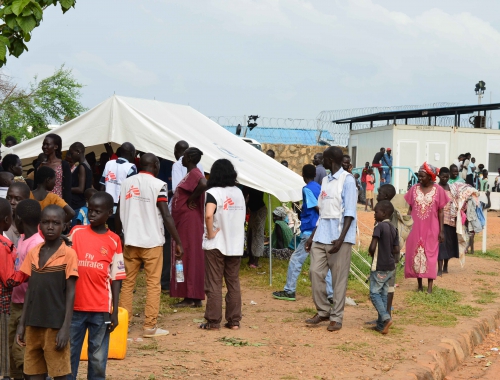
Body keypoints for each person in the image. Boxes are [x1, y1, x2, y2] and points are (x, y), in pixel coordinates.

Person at [116, 153, 184, 337]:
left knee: (128, 284)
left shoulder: (126, 184)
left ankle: (124, 324)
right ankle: (149, 327)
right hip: (152, 242)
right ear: (155, 165)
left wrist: (117, 236)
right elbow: (166, 215)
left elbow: (117, 213)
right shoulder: (159, 186)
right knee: (153, 284)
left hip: (130, 240)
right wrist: (178, 240)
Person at [16, 205, 79, 380]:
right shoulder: (34, 252)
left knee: (59, 373)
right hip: (33, 324)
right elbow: (29, 290)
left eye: (56, 223)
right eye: (46, 222)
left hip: (55, 325)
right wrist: (22, 324)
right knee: (33, 373)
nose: (50, 227)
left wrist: (65, 327)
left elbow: (71, 293)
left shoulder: (68, 254)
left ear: (64, 226)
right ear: (40, 225)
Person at [68, 192, 126, 380]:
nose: (91, 214)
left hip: (101, 309)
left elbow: (117, 278)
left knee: (98, 358)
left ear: (109, 212)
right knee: (69, 356)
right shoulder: (76, 232)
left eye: (97, 211)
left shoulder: (114, 240)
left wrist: (114, 310)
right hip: (74, 308)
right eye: (90, 210)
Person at [305, 146, 357, 332]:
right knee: (315, 272)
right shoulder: (325, 180)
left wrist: (341, 239)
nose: (320, 162)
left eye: (324, 159)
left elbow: (350, 213)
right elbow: (323, 212)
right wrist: (312, 236)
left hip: (339, 237)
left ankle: (336, 317)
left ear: (330, 160)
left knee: (338, 279)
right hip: (321, 234)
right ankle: (323, 311)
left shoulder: (347, 180)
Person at [272, 164, 334, 303]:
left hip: (310, 230)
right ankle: (330, 294)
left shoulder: (307, 189)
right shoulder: (319, 187)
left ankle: (289, 290)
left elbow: (317, 208)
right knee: (323, 262)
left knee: (296, 260)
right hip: (321, 230)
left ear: (302, 175)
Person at [200, 159, 245, 330]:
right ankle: (234, 321)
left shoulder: (212, 192)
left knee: (214, 283)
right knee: (233, 282)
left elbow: (209, 215)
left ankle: (213, 321)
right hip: (235, 243)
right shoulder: (238, 193)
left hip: (216, 244)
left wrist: (211, 233)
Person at [8, 199, 44, 380]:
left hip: (27, 306)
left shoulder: (36, 244)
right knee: (12, 350)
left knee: (21, 350)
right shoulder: (22, 238)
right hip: (16, 302)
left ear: (19, 218)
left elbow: (34, 278)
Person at [169, 148, 207, 308]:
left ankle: (190, 295)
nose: (181, 159)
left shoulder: (195, 173)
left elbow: (204, 183)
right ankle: (192, 295)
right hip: (185, 221)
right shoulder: (190, 173)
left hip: (189, 221)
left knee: (187, 255)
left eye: (184, 156)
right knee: (189, 255)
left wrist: (192, 198)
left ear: (190, 158)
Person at [404, 163, 448, 293]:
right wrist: (406, 225)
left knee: (430, 255)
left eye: (422, 176)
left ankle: (429, 287)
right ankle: (419, 285)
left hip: (432, 228)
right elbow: (410, 209)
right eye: (419, 176)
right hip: (415, 227)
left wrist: (442, 231)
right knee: (415, 252)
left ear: (430, 177)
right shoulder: (413, 189)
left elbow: (441, 211)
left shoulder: (438, 190)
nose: (420, 178)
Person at [368, 200, 399, 334]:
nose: (374, 214)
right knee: (383, 294)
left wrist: (370, 252)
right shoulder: (393, 228)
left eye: (376, 212)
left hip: (379, 266)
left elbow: (373, 246)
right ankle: (381, 325)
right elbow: (397, 249)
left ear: (384, 213)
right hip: (390, 267)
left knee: (374, 293)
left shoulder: (379, 227)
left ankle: (386, 318)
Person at [0, 198, 20, 379]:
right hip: (3, 306)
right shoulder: (2, 246)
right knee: (4, 344)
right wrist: (26, 272)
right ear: (7, 219)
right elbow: (9, 280)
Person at [99, 142, 137, 232]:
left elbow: (102, 187)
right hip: (121, 209)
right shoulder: (131, 167)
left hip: (106, 207)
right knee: (119, 235)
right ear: (132, 153)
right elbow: (130, 191)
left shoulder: (109, 163)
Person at [38, 133, 72, 205]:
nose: (44, 147)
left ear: (56, 147)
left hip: (57, 204)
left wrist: (66, 207)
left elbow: (67, 188)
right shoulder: (39, 165)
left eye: (47, 144)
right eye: (43, 144)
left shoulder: (64, 165)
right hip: (41, 203)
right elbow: (36, 186)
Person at [437, 167, 459, 276]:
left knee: (449, 244)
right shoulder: (436, 188)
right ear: (439, 176)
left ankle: (446, 265)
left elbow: (455, 203)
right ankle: (439, 269)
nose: (445, 179)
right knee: (441, 244)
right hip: (439, 221)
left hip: (450, 221)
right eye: (443, 176)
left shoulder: (452, 189)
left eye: (447, 177)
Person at [68, 142, 93, 226]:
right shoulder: (87, 165)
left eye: (72, 154)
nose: (71, 156)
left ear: (78, 151)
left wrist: (66, 188)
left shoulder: (82, 166)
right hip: (80, 203)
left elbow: (80, 189)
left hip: (77, 204)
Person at [245, 186, 267, 268]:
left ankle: (255, 261)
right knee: (250, 233)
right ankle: (251, 259)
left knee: (258, 234)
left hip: (260, 210)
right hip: (253, 210)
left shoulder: (257, 183)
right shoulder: (248, 183)